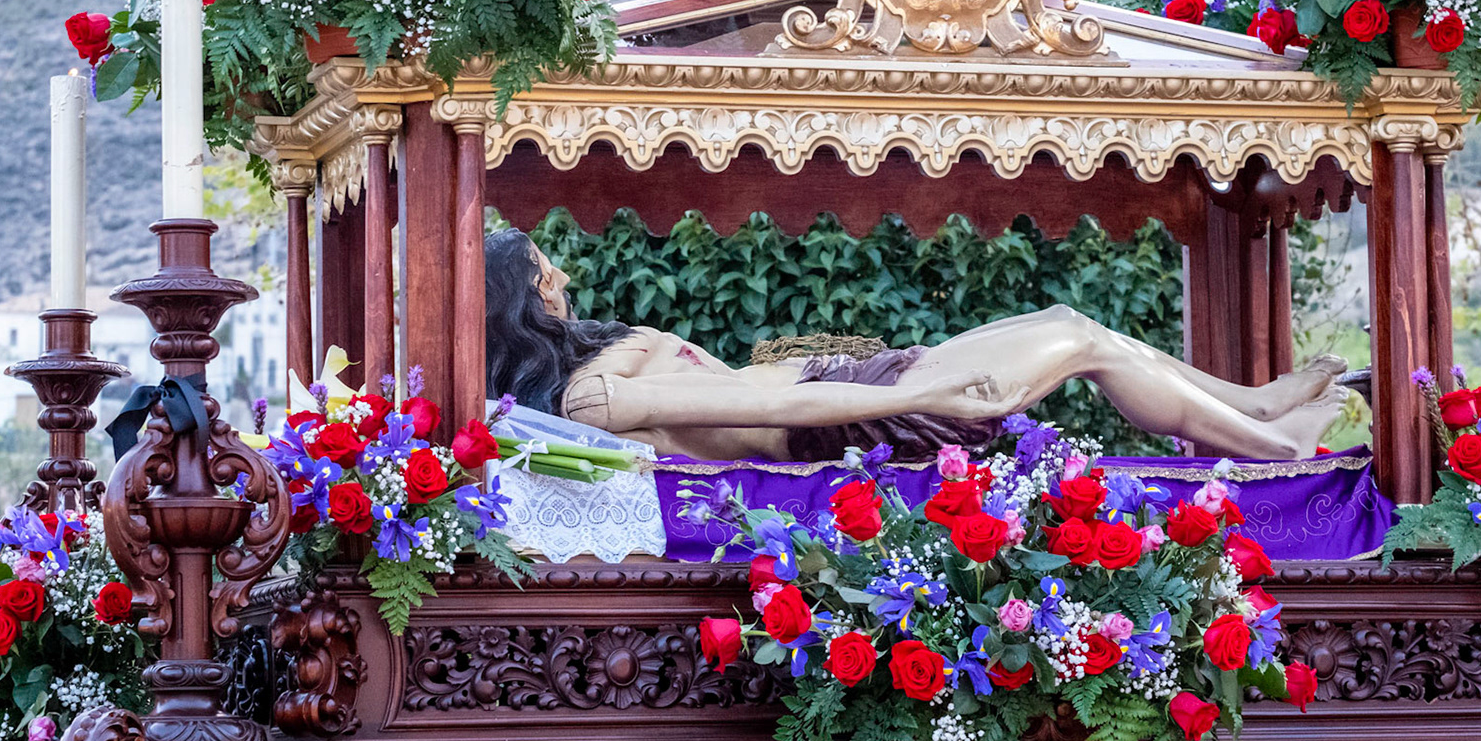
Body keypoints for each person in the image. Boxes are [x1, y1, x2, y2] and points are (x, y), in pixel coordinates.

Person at [483, 228, 1346, 463]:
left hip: (862, 383)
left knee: (1064, 318)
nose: (565, 281)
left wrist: (862, 365)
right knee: (1079, 338)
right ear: (520, 303)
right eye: (546, 277)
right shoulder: (591, 397)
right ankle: (1273, 445)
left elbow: (766, 377)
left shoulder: (601, 355)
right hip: (860, 420)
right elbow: (778, 407)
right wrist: (918, 395)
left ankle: (1255, 403)